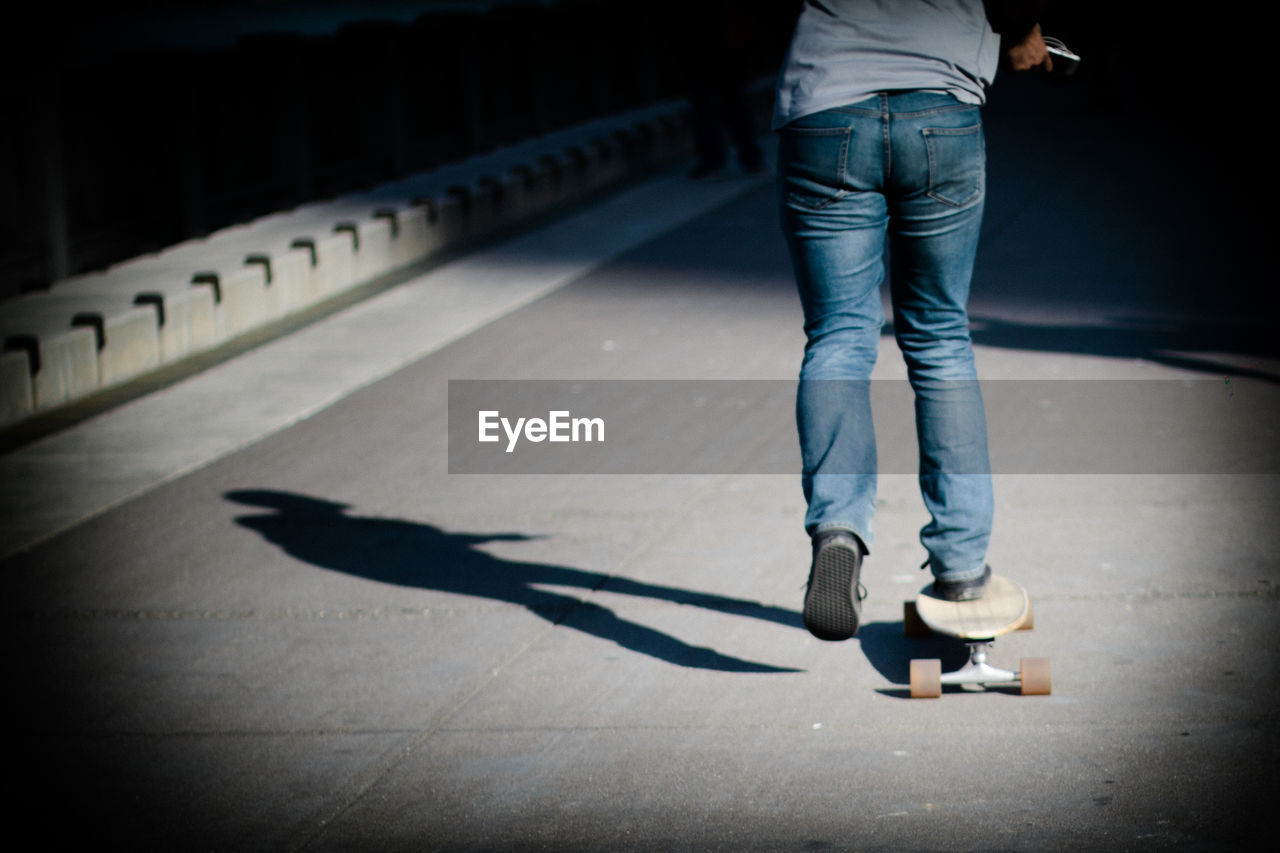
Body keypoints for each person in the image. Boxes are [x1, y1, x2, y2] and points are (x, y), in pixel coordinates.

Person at [774, 0, 1051, 640]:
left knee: (840, 336)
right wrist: (1020, 30)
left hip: (826, 103)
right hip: (941, 102)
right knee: (940, 339)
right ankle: (960, 565)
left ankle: (838, 528)